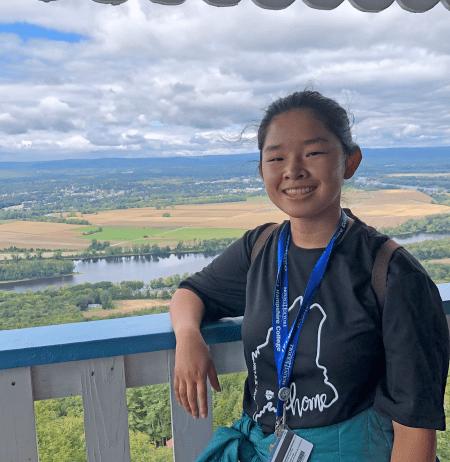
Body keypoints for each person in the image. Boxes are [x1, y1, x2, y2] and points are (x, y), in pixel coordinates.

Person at [169, 90, 449, 462]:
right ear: (262, 171)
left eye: (313, 153)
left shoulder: (394, 275)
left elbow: (415, 431)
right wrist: (188, 336)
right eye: (276, 157)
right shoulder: (261, 247)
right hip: (262, 446)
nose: (293, 170)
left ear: (350, 162)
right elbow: (192, 292)